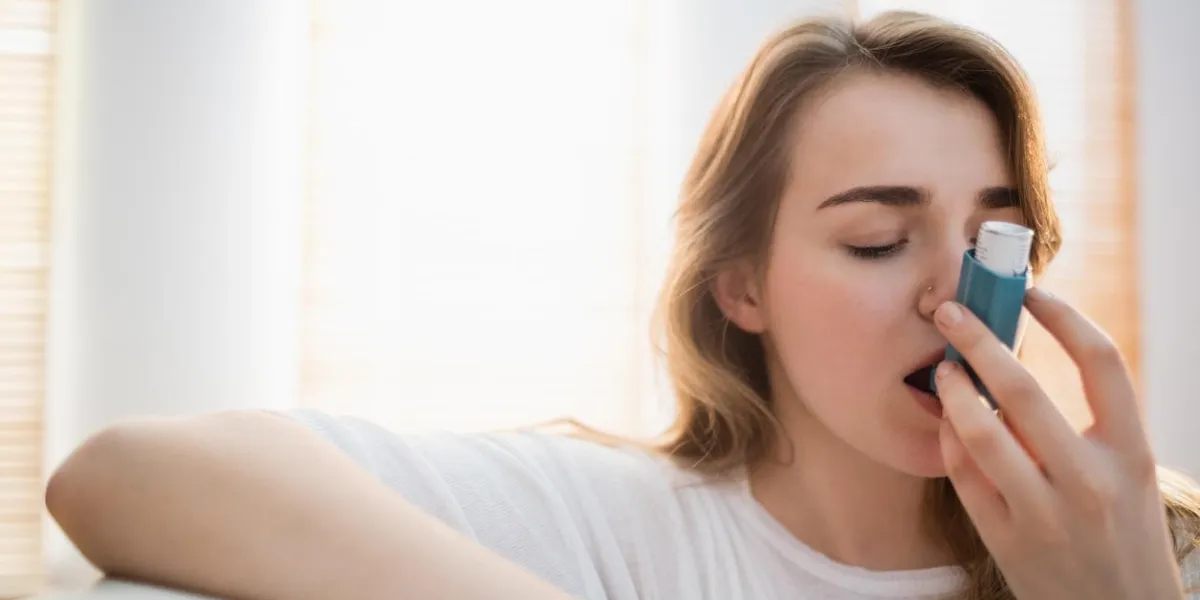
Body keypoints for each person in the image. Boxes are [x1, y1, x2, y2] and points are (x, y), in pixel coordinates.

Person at [46, 10, 1200, 600]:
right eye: (876, 241)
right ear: (741, 287)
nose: (957, 296)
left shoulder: (1155, 552)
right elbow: (123, 473)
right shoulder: (621, 528)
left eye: (995, 239)